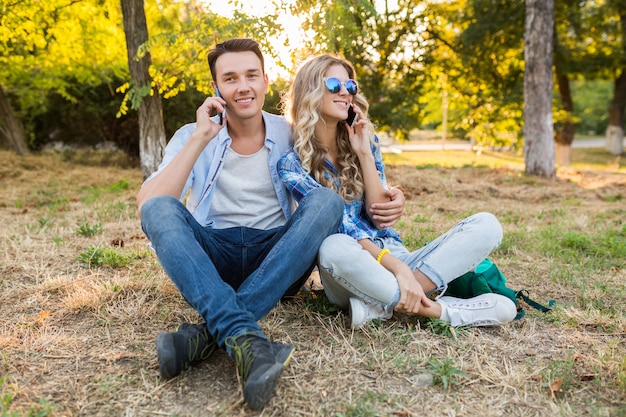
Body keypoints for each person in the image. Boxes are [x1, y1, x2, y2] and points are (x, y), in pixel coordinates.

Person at [137, 40, 406, 410]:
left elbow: (342, 171)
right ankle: (244, 337)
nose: (242, 86)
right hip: (210, 260)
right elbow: (148, 205)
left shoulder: (294, 132)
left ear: (265, 81)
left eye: (251, 75)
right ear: (216, 89)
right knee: (159, 210)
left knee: (326, 202)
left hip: (278, 260)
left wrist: (391, 193)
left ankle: (207, 335)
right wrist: (201, 139)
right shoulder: (192, 135)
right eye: (230, 79)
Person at [278, 54, 518, 331]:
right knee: (332, 246)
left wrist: (364, 152)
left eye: (351, 86)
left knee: (487, 224)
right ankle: (433, 307)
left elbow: (380, 219)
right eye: (334, 84)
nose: (346, 92)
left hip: (393, 253)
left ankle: (383, 305)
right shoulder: (292, 163)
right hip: (351, 268)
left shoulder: (364, 141)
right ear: (309, 91)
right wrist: (399, 270)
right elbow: (340, 231)